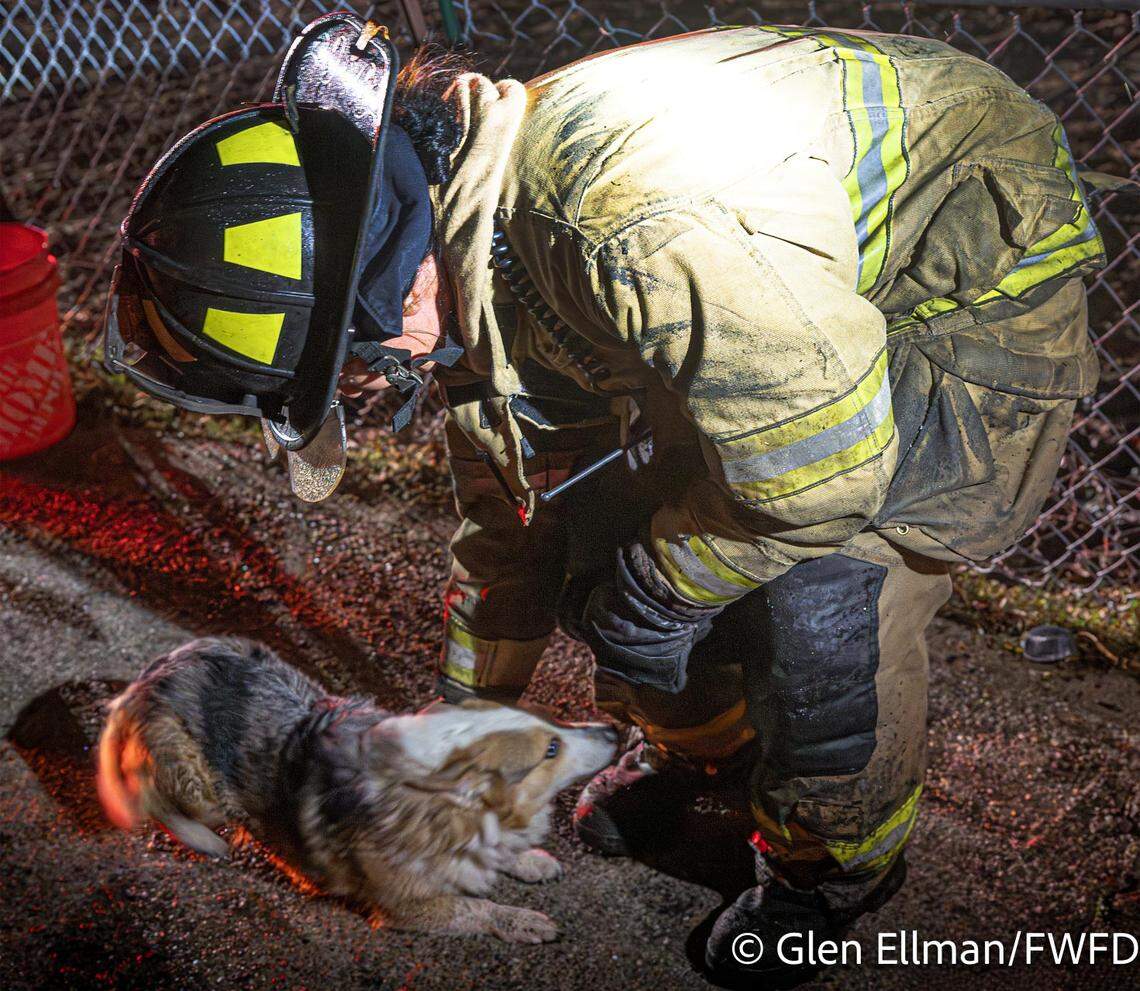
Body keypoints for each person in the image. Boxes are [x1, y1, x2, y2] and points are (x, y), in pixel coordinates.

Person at [104, 13, 1106, 986]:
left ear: (392, 288)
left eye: (367, 356)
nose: (388, 368)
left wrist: (665, 587)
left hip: (957, 291)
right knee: (596, 541)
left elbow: (824, 478)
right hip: (782, 312)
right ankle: (704, 753)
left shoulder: (627, 226)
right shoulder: (467, 234)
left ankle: (834, 870)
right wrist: (457, 719)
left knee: (826, 606)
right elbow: (508, 516)